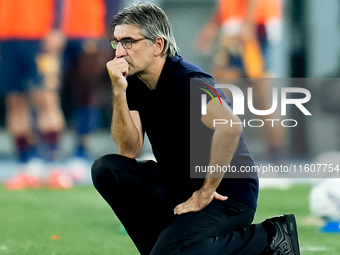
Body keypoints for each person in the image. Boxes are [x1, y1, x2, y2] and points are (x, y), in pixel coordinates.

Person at [91, 3, 300, 255]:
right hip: (179, 185)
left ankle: (270, 238)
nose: (119, 53)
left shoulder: (188, 80)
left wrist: (205, 191)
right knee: (107, 169)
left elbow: (230, 127)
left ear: (158, 45)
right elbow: (128, 149)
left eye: (128, 42)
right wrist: (118, 91)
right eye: (116, 43)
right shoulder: (133, 82)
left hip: (226, 193)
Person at [196, 0, 286, 163]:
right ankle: (277, 159)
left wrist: (247, 25)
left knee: (221, 93)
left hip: (251, 30)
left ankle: (277, 158)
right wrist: (212, 26)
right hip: (245, 28)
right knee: (222, 92)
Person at [0, 0, 70, 189]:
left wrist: (56, 29)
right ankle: (26, 167)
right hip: (6, 38)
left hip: (40, 38)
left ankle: (54, 166)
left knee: (47, 99)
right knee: (15, 103)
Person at [60, 0, 121, 181]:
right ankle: (47, 153)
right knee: (47, 94)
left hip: (90, 32)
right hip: (53, 34)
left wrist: (108, 34)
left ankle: (80, 152)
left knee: (86, 93)